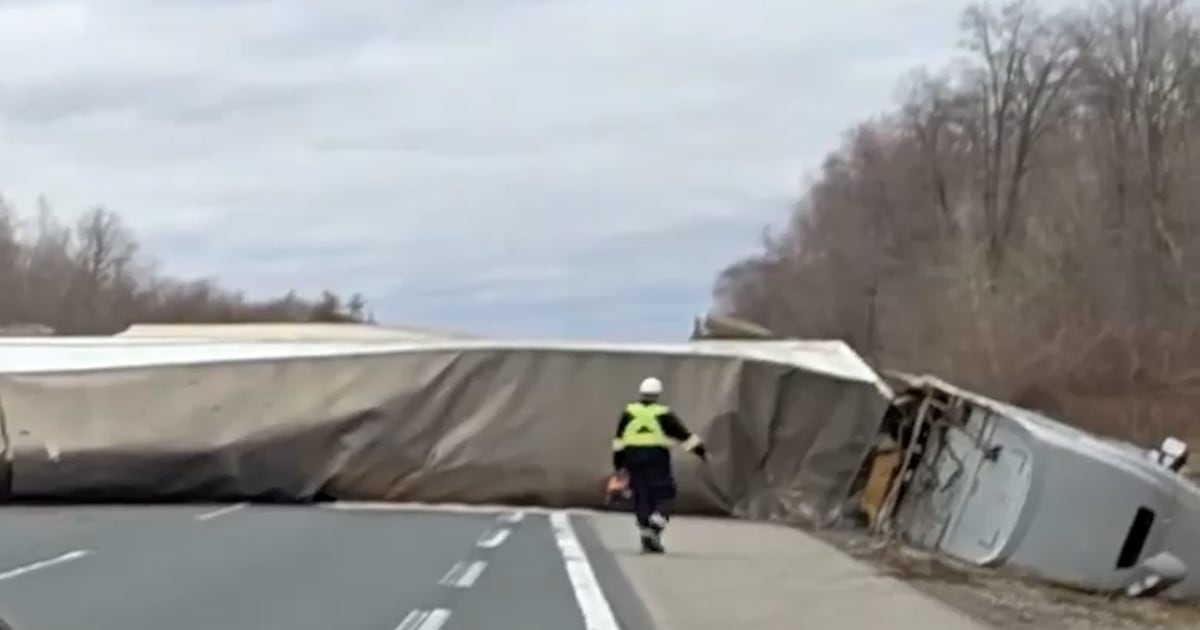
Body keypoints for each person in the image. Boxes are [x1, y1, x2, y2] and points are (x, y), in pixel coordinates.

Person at [612, 376, 708, 553]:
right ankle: (655, 525)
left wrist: (618, 466)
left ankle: (646, 535)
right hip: (656, 457)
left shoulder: (628, 412)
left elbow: (618, 441)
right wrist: (701, 452)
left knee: (642, 495)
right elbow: (683, 436)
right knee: (665, 494)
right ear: (657, 395)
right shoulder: (663, 413)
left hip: (632, 458)